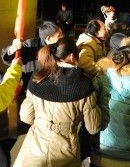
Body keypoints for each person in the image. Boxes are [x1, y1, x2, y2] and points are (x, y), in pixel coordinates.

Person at [13, 37, 101, 167]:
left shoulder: (37, 77)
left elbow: (26, 117)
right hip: (65, 151)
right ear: (72, 56)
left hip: (34, 148)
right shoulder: (84, 84)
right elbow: (93, 127)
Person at [1, 21, 63, 92]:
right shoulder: (32, 45)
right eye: (59, 35)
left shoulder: (59, 46)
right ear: (48, 38)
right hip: (30, 86)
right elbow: (7, 56)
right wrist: (12, 49)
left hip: (50, 86)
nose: (62, 37)